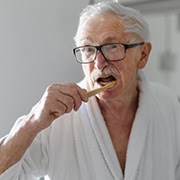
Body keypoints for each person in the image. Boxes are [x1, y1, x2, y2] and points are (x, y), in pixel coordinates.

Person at [0, 1, 180, 180]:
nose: (99, 63)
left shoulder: (167, 104)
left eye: (112, 47)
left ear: (142, 55)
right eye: (87, 49)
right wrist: (32, 122)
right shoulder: (57, 118)